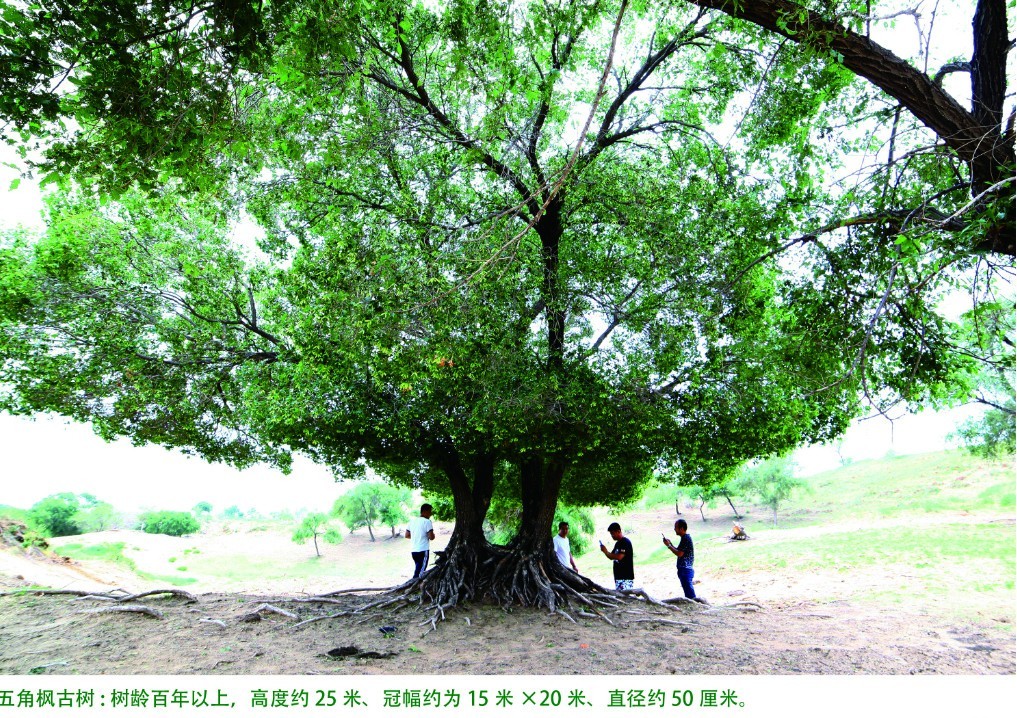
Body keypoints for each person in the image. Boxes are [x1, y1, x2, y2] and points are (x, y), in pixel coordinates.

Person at [663, 518, 696, 600]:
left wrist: (669, 546)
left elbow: (679, 553)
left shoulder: (686, 538)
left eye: (676, 527)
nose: (674, 529)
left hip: (685, 569)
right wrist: (670, 544)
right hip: (685, 569)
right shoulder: (685, 538)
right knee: (688, 592)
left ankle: (695, 605)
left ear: (681, 528)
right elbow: (679, 551)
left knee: (690, 595)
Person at [599, 522, 634, 591]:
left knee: (625, 596)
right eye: (611, 534)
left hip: (625, 577)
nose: (612, 536)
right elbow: (611, 556)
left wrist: (606, 552)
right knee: (620, 595)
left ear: (618, 531)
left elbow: (619, 557)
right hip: (618, 577)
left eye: (612, 533)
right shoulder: (617, 544)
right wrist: (605, 552)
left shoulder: (625, 542)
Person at [405, 503, 435, 579]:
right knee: (419, 574)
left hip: (414, 551)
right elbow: (431, 537)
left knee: (418, 569)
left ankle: (414, 583)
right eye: (430, 512)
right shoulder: (427, 522)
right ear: (425, 511)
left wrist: (417, 536)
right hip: (423, 550)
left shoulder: (412, 521)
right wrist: (431, 535)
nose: (430, 514)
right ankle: (414, 584)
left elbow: (407, 535)